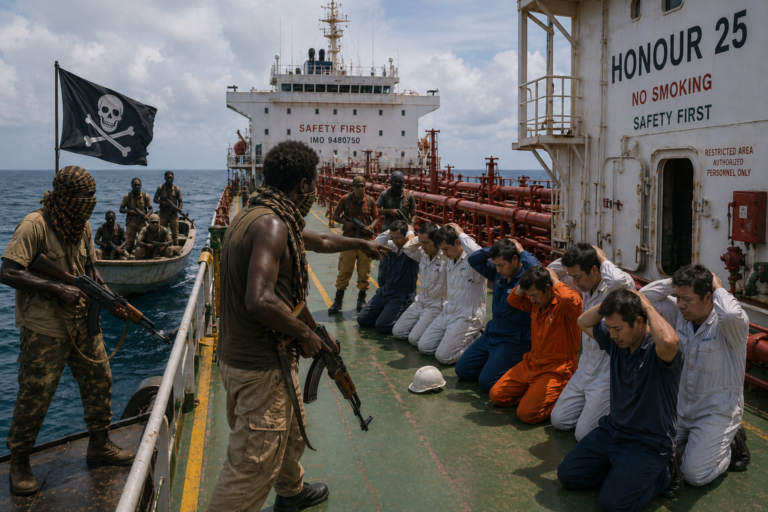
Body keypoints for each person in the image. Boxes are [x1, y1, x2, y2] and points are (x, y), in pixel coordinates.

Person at [207, 141, 388, 512]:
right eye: (314, 183)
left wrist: (358, 241)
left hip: (247, 355)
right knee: (252, 465)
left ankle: (291, 490)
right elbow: (260, 300)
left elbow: (318, 239)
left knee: (290, 427)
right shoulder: (273, 225)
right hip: (260, 364)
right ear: (303, 184)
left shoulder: (259, 212)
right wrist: (306, 333)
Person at [0, 166, 135, 496]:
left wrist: (110, 298)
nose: (87, 205)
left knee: (100, 381)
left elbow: (90, 269)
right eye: (81, 199)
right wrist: (55, 288)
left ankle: (99, 444)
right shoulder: (35, 226)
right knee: (35, 394)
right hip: (45, 328)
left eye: (91, 198)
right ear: (62, 198)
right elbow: (7, 271)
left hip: (82, 324)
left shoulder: (83, 225)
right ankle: (19, 463)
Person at [558, 289, 682, 512]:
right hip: (613, 429)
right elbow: (582, 321)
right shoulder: (617, 342)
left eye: (617, 328)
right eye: (610, 327)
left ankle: (664, 475)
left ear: (638, 321)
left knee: (613, 505)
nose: (612, 334)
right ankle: (624, 475)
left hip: (648, 440)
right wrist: (615, 298)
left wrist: (647, 305)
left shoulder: (657, 349)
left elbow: (668, 340)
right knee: (569, 476)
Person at [640, 265, 750, 489]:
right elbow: (643, 298)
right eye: (678, 297)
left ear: (708, 297)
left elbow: (729, 312)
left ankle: (730, 445)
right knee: (651, 453)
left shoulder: (729, 325)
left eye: (687, 299)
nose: (680, 304)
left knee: (693, 475)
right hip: (681, 408)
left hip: (716, 411)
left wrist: (719, 287)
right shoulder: (679, 315)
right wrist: (674, 283)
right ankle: (704, 445)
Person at [549, 244, 635, 440]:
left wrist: (602, 257)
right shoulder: (585, 285)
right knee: (559, 421)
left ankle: (615, 410)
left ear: (595, 270)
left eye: (578, 277)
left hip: (606, 373)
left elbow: (617, 278)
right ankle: (596, 410)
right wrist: (576, 254)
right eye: (573, 276)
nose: (575, 282)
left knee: (583, 435)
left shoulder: (614, 288)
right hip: (585, 366)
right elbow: (551, 270)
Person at [489, 266, 582, 423]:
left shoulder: (565, 307)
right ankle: (534, 397)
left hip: (556, 369)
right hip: (532, 362)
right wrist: (527, 283)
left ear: (548, 288)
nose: (531, 299)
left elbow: (568, 298)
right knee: (497, 396)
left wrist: (554, 279)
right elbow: (513, 298)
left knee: (527, 415)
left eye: (534, 295)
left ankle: (558, 398)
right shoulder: (535, 304)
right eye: (529, 295)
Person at [455, 238, 540, 393]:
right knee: (463, 370)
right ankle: (495, 365)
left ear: (515, 259)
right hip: (492, 333)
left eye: (501, 265)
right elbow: (474, 259)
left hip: (513, 340)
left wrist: (520, 251)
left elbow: (539, 269)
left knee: (487, 384)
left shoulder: (527, 278)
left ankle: (513, 365)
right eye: (495, 265)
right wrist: (496, 248)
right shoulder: (498, 274)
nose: (498, 269)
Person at [417, 223, 487, 364]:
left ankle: (481, 342)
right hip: (449, 311)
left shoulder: (473, 261)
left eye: (446, 249)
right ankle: (466, 338)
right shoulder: (450, 259)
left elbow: (480, 253)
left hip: (468, 314)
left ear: (457, 242)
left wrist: (460, 233)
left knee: (444, 357)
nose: (444, 253)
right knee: (424, 346)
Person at [328, 175, 379, 314]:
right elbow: (335, 215)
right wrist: (346, 223)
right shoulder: (345, 199)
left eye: (362, 186)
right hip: (348, 242)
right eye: (357, 186)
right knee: (344, 272)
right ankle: (338, 302)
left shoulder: (370, 201)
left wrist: (370, 227)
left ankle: (361, 301)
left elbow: (376, 218)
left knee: (364, 273)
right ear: (353, 187)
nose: (360, 189)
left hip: (365, 242)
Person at [357, 220, 419, 334]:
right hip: (385, 291)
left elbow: (411, 244)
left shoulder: (414, 252)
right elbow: (377, 241)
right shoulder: (392, 247)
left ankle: (402, 313)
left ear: (406, 235)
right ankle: (387, 313)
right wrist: (390, 230)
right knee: (362, 320)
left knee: (382, 327)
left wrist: (410, 231)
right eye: (393, 237)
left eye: (398, 237)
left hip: (401, 295)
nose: (395, 241)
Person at [392, 222, 448, 345]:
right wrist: (417, 237)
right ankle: (424, 329)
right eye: (420, 242)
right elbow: (407, 248)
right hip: (421, 301)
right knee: (397, 332)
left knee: (414, 339)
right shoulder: (422, 254)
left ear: (437, 241)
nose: (422, 246)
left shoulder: (446, 257)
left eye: (426, 243)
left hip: (437, 304)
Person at [375, 171, 416, 287]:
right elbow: (376, 210)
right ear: (391, 182)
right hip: (388, 236)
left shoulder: (409, 196)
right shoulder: (384, 195)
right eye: (395, 182)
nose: (397, 184)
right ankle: (382, 289)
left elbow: (414, 214)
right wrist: (389, 211)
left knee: (405, 264)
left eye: (400, 182)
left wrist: (411, 224)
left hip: (404, 237)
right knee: (385, 264)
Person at [119, 177, 153, 253]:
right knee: (128, 243)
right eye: (135, 185)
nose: (137, 186)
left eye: (138, 185)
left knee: (142, 242)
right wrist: (129, 211)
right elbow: (121, 209)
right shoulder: (127, 196)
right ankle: (128, 258)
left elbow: (151, 209)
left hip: (142, 223)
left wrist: (147, 215)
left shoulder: (145, 196)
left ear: (141, 185)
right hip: (131, 223)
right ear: (131, 185)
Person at [153, 171, 183, 246]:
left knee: (175, 232)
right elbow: (155, 199)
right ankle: (161, 247)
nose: (169, 179)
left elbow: (180, 201)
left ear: (173, 178)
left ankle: (175, 247)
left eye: (171, 178)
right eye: (168, 178)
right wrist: (162, 202)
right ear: (165, 178)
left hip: (173, 214)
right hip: (163, 214)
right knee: (161, 232)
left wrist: (179, 208)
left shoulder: (177, 189)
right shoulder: (160, 188)